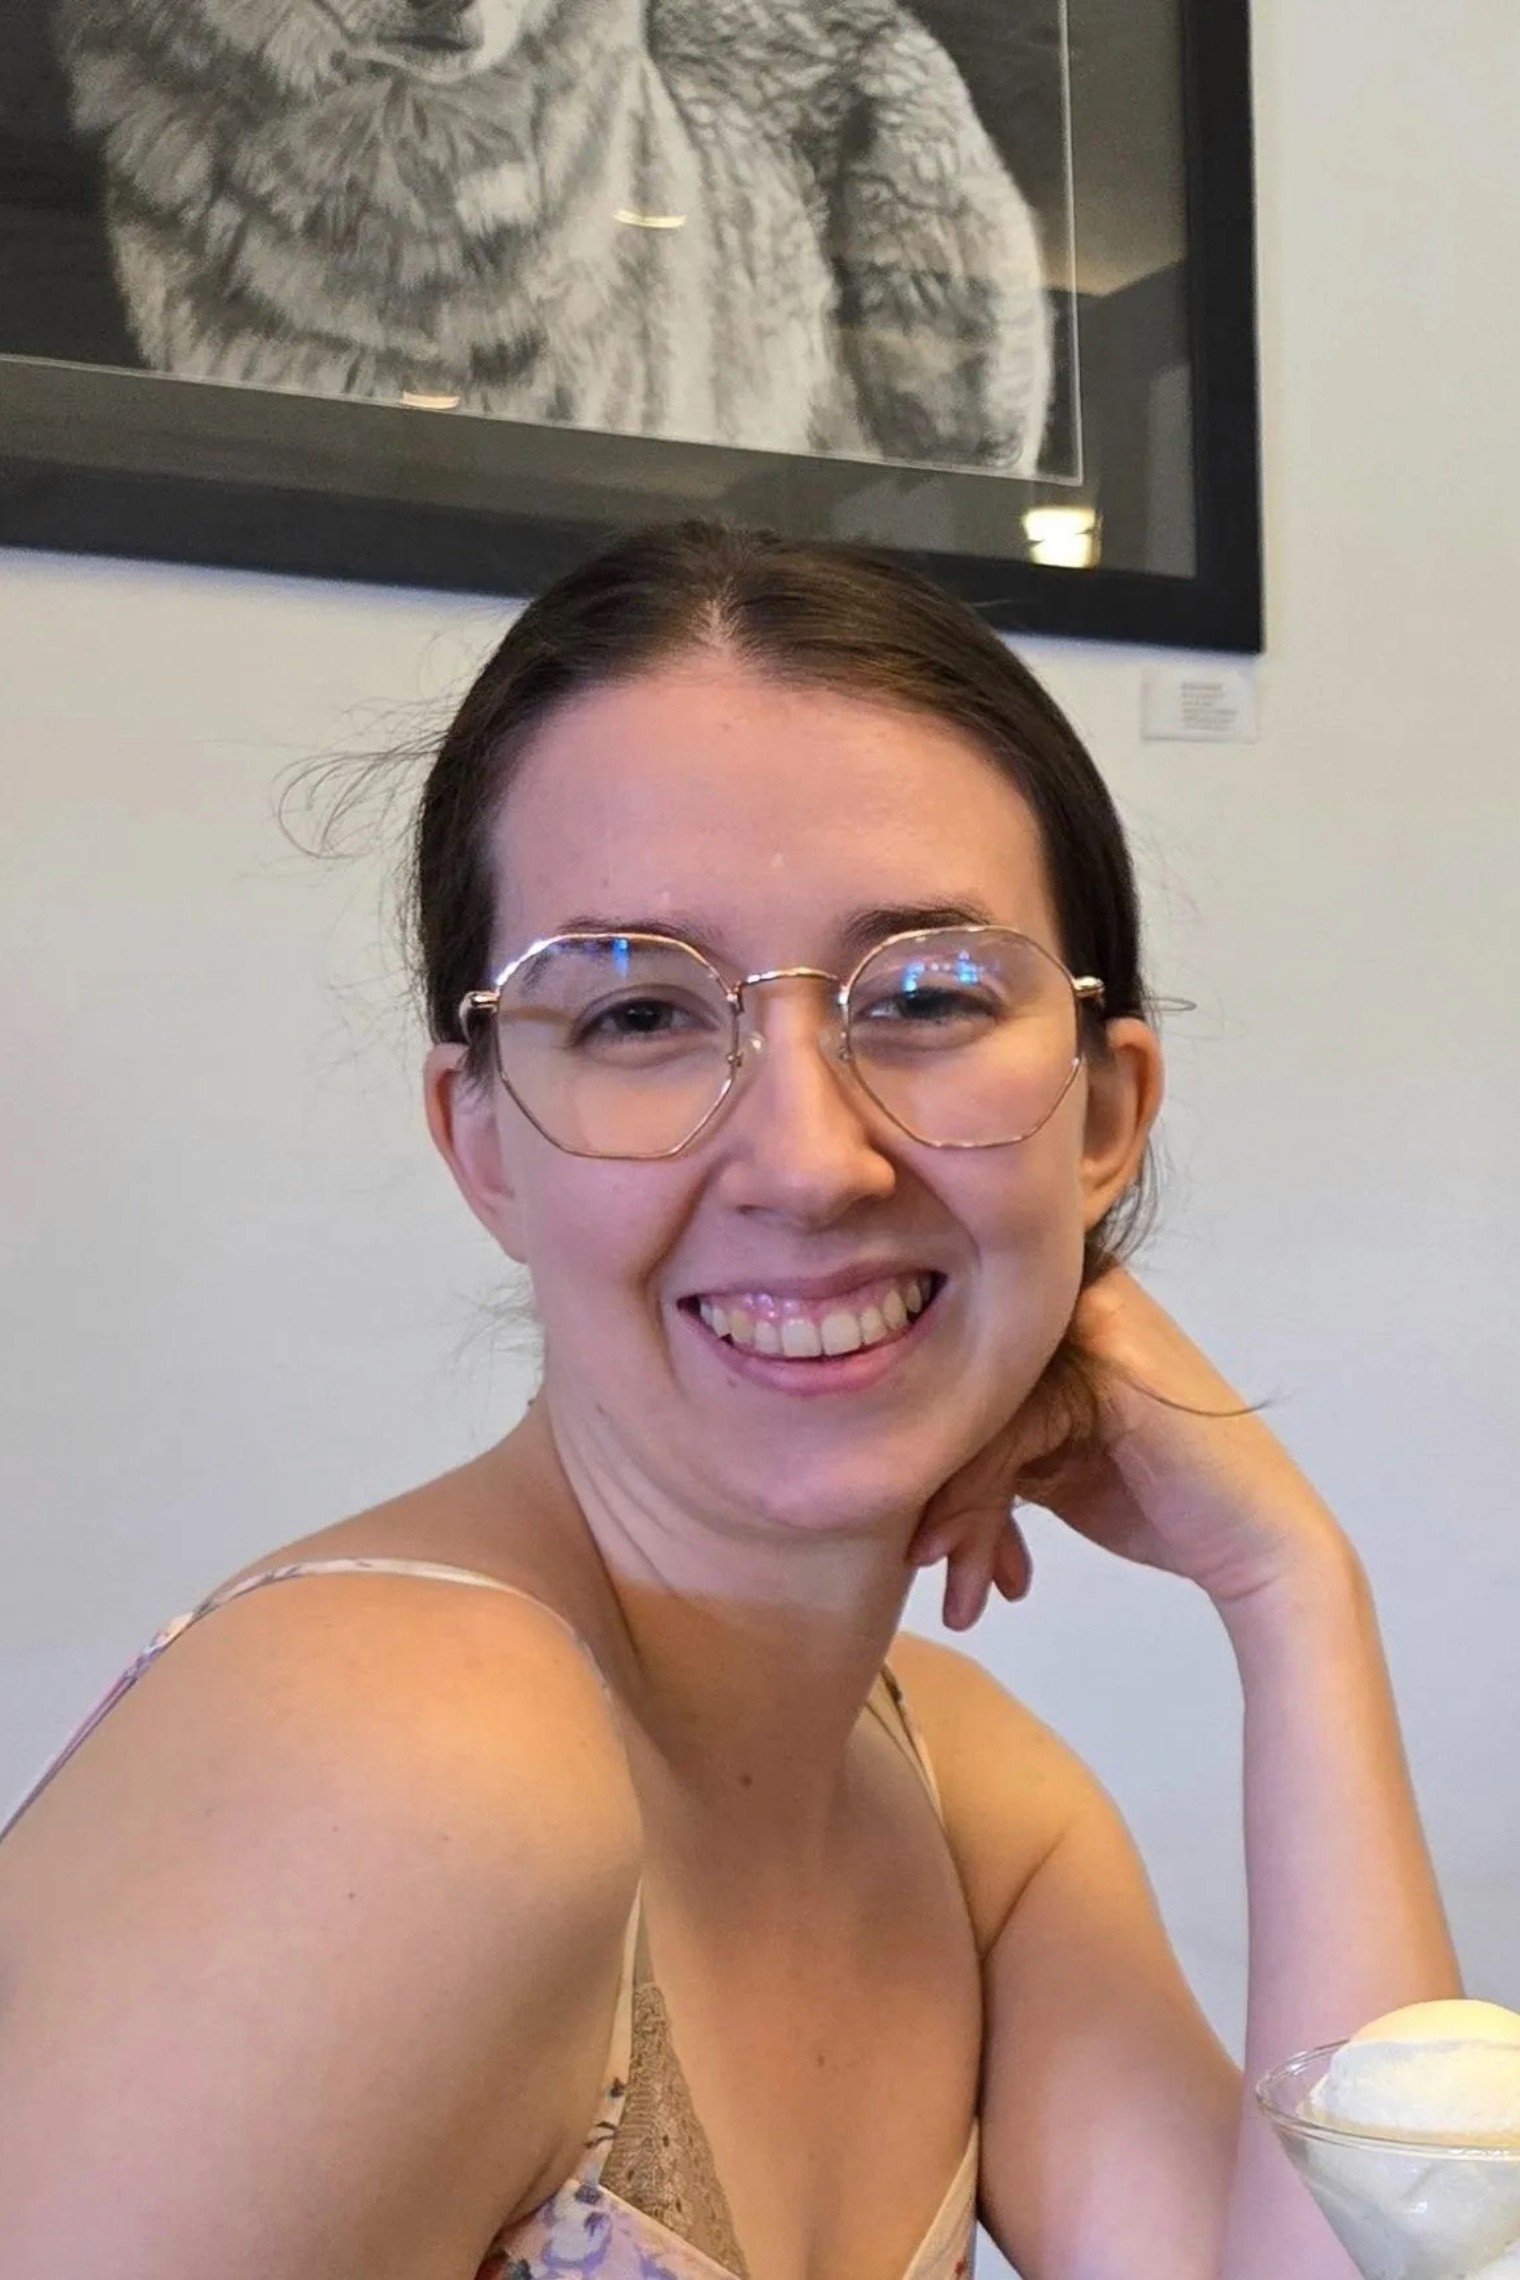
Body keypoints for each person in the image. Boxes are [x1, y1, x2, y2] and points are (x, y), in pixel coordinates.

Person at [0, 522, 1458, 2279]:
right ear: (481, 1139)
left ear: (1101, 1112)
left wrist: (1293, 1592)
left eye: (921, 995)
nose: (808, 1157)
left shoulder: (969, 1803)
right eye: (633, 1013)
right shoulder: (405, 1755)